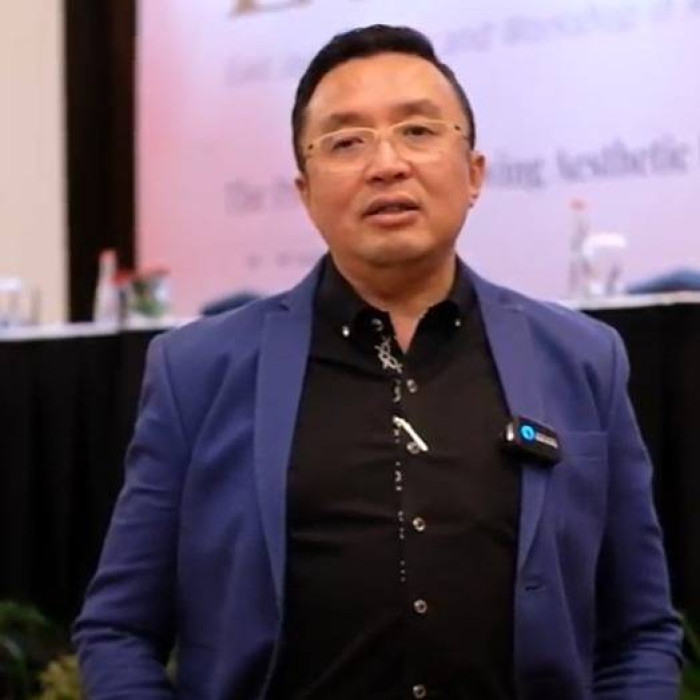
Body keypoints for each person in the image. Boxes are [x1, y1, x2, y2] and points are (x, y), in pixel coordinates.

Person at [73, 24, 682, 700]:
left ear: (474, 173)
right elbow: (119, 631)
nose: (387, 163)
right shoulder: (197, 370)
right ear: (305, 191)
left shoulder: (582, 359)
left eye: (418, 131)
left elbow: (639, 633)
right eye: (346, 141)